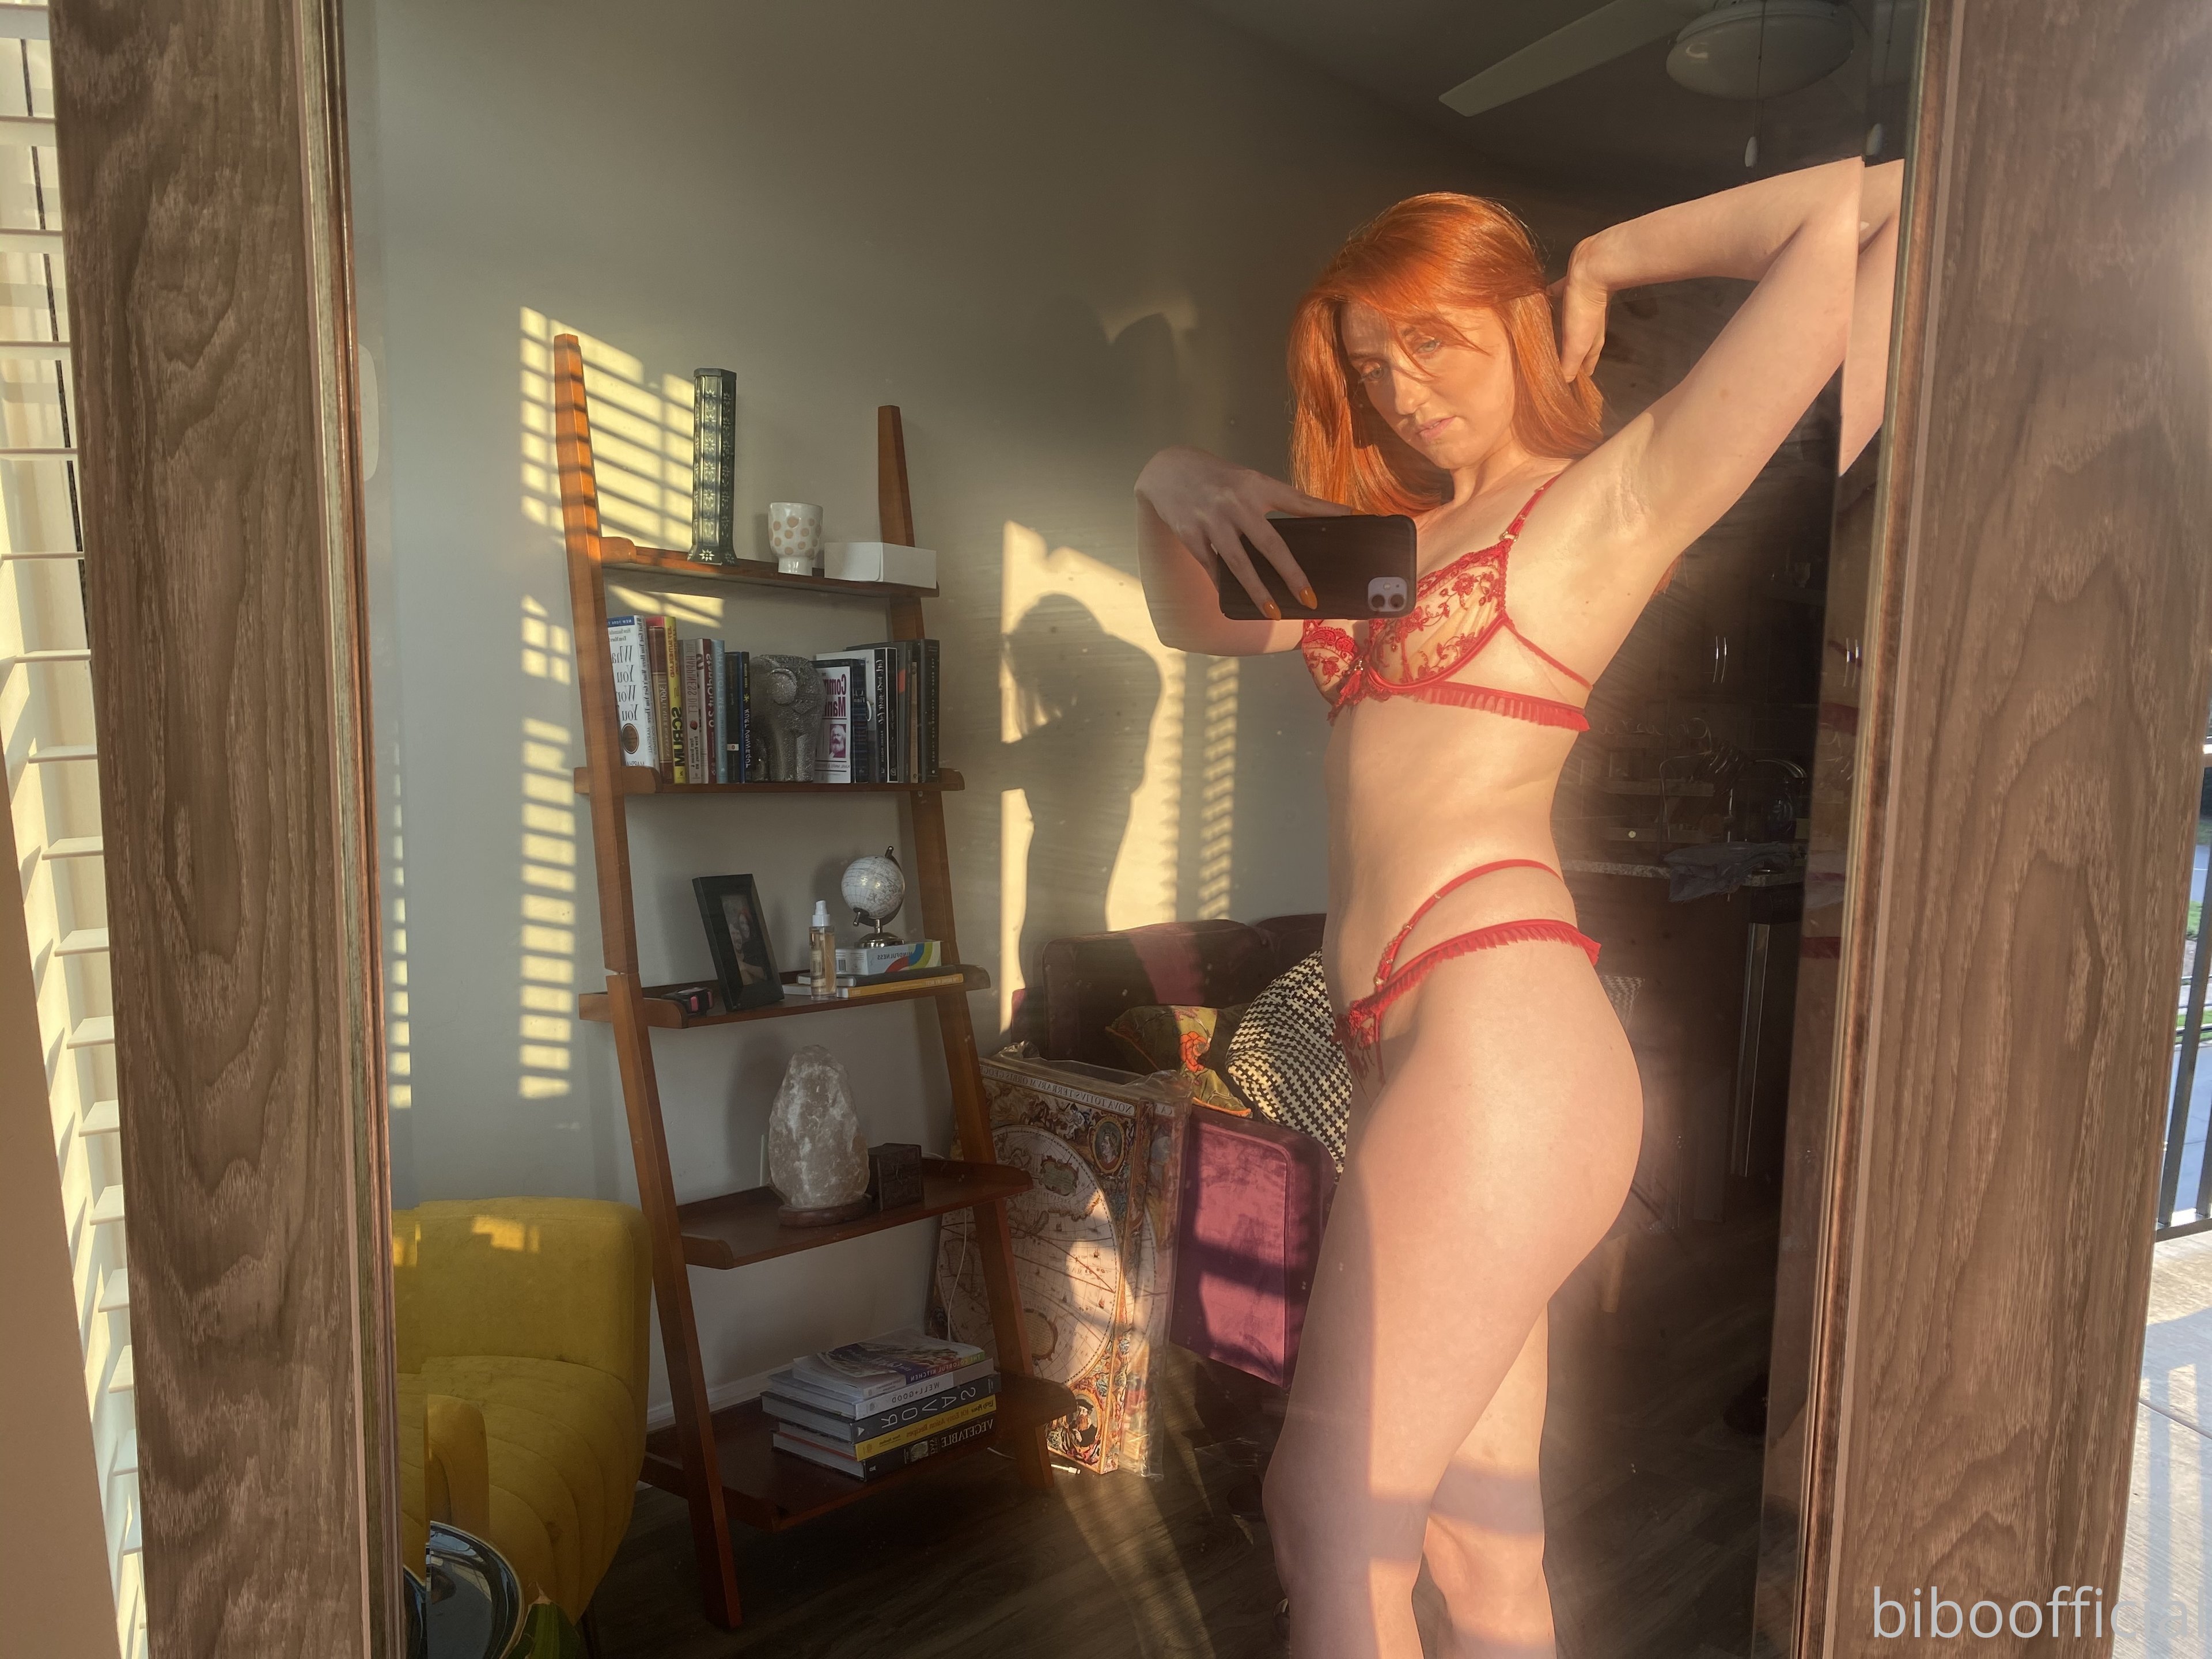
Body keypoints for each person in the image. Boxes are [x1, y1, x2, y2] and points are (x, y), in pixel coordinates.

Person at [1134, 159, 1902, 1658]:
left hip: (1500, 1036)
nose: (1401, 391)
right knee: (1482, 1561)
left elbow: (1886, 212)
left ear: (1520, 321)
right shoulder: (1376, 559)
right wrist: (1171, 474)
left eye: (1433, 341)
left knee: (1327, 1521)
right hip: (1409, 1056)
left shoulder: (1605, 500)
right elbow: (1193, 613)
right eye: (1372, 364)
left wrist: (1607, 260)